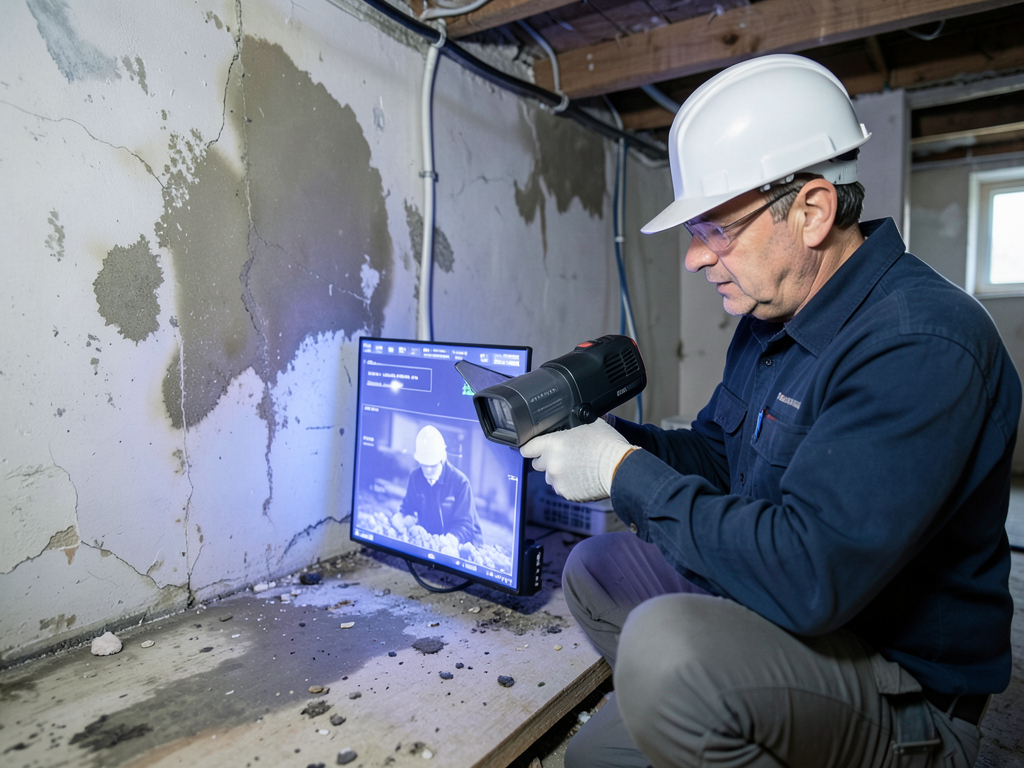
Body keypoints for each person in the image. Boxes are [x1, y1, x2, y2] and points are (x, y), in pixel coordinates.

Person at [521, 54, 1021, 768]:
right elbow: (723, 459)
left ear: (813, 211)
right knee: (597, 568)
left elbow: (810, 574)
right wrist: (609, 445)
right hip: (800, 620)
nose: (695, 259)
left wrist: (623, 473)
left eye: (713, 230)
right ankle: (721, 720)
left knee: (658, 664)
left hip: (898, 686)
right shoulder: (771, 318)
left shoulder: (921, 342)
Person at [400, 425, 483, 546]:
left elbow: (466, 526)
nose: (428, 471)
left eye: (432, 465)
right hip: (434, 540)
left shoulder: (460, 482)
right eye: (424, 465)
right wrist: (404, 519)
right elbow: (407, 508)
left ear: (442, 459)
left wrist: (450, 541)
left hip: (464, 543)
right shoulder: (415, 477)